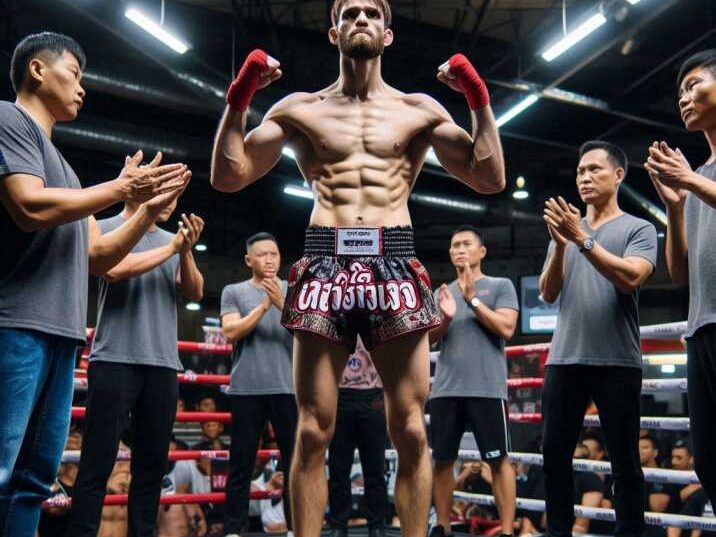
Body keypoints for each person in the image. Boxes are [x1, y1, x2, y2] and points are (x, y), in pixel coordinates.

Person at [210, 0, 506, 533]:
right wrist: (242, 94)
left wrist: (477, 100)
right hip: (325, 258)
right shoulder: (302, 108)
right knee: (311, 430)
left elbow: (489, 179)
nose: (362, 19)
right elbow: (229, 176)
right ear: (334, 32)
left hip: (394, 256)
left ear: (388, 34)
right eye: (350, 13)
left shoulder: (419, 109)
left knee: (412, 429)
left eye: (372, 12)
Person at [0, 32, 190, 537]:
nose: (83, 88)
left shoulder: (67, 170)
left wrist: (146, 209)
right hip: (15, 324)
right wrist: (122, 189)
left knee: (34, 480)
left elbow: (98, 256)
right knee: (2, 470)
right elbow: (28, 206)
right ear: (38, 70)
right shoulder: (8, 120)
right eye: (76, 74)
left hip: (64, 335)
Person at [67, 189, 204, 537]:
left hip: (162, 364)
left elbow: (196, 291)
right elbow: (113, 270)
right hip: (114, 358)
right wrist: (172, 249)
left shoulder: (175, 240)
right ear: (143, 190)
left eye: (177, 195)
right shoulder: (106, 226)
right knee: (97, 465)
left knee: (151, 468)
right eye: (164, 192)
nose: (171, 201)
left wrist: (184, 252)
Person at [539, 140, 658, 537]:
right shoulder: (568, 232)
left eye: (594, 170)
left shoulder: (638, 228)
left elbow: (631, 278)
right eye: (580, 171)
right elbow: (547, 293)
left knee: (625, 464)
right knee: (554, 457)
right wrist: (560, 245)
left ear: (619, 175)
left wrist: (581, 239)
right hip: (564, 358)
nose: (585, 178)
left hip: (617, 361)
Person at [645, 49, 716, 507]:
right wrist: (675, 206)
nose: (684, 98)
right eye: (679, 93)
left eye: (694, 85)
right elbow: (679, 272)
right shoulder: (698, 179)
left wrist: (689, 183)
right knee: (709, 461)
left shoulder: (697, 180)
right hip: (701, 328)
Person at [429, 225, 519, 537]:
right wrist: (445, 317)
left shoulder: (500, 285)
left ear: (482, 252)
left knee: (499, 461)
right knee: (442, 461)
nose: (459, 250)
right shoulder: (442, 292)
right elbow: (429, 341)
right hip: (446, 389)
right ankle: (442, 526)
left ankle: (507, 530)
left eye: (466, 244)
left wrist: (472, 301)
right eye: (454, 245)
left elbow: (507, 328)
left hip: (487, 388)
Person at [220, 232, 296, 537]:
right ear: (249, 260)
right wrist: (265, 305)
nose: (269, 260)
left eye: (274, 254)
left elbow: (309, 333)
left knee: (295, 464)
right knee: (241, 464)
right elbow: (230, 331)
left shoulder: (294, 290)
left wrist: (281, 302)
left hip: (288, 388)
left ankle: (297, 527)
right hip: (246, 389)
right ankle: (233, 530)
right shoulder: (233, 291)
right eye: (262, 255)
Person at [328, 337, 387, 537]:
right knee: (338, 467)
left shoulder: (377, 310)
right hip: (339, 392)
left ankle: (377, 525)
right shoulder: (336, 310)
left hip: (373, 393)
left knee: (375, 468)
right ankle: (338, 525)